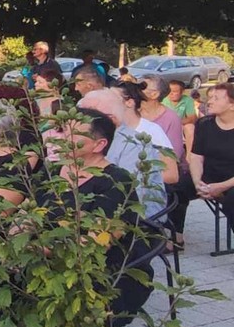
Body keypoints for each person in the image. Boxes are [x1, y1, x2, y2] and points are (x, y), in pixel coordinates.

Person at [31, 108, 153, 327]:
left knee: (55, 316)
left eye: (74, 135)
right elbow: (26, 211)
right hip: (46, 262)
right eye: (62, 132)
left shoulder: (115, 181)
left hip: (101, 273)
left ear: (99, 145)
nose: (64, 140)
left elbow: (97, 243)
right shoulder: (52, 171)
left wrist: (37, 249)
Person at [78, 88, 174, 220]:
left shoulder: (134, 146)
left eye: (84, 117)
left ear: (111, 119)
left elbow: (129, 196)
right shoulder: (79, 143)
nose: (76, 123)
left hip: (135, 223)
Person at [141, 75, 192, 244]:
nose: (136, 90)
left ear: (155, 94)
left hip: (164, 168)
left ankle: (172, 236)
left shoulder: (170, 117)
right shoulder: (133, 114)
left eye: (142, 86)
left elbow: (174, 153)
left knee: (175, 186)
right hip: (139, 168)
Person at [189, 83, 234, 227]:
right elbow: (196, 157)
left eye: (216, 98)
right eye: (211, 97)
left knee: (231, 203)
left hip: (231, 180)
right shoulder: (204, 124)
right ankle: (175, 237)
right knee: (173, 189)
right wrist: (197, 182)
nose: (209, 101)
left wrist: (221, 187)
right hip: (208, 176)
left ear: (232, 105)